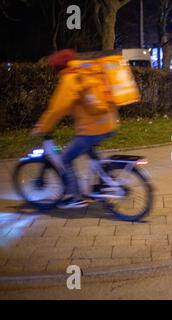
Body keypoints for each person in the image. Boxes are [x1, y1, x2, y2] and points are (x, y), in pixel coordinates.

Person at [32, 49, 119, 209]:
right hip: (109, 122)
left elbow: (58, 108)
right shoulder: (87, 71)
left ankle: (74, 197)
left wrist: (42, 127)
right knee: (90, 152)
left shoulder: (70, 78)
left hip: (92, 129)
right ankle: (105, 182)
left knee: (64, 159)